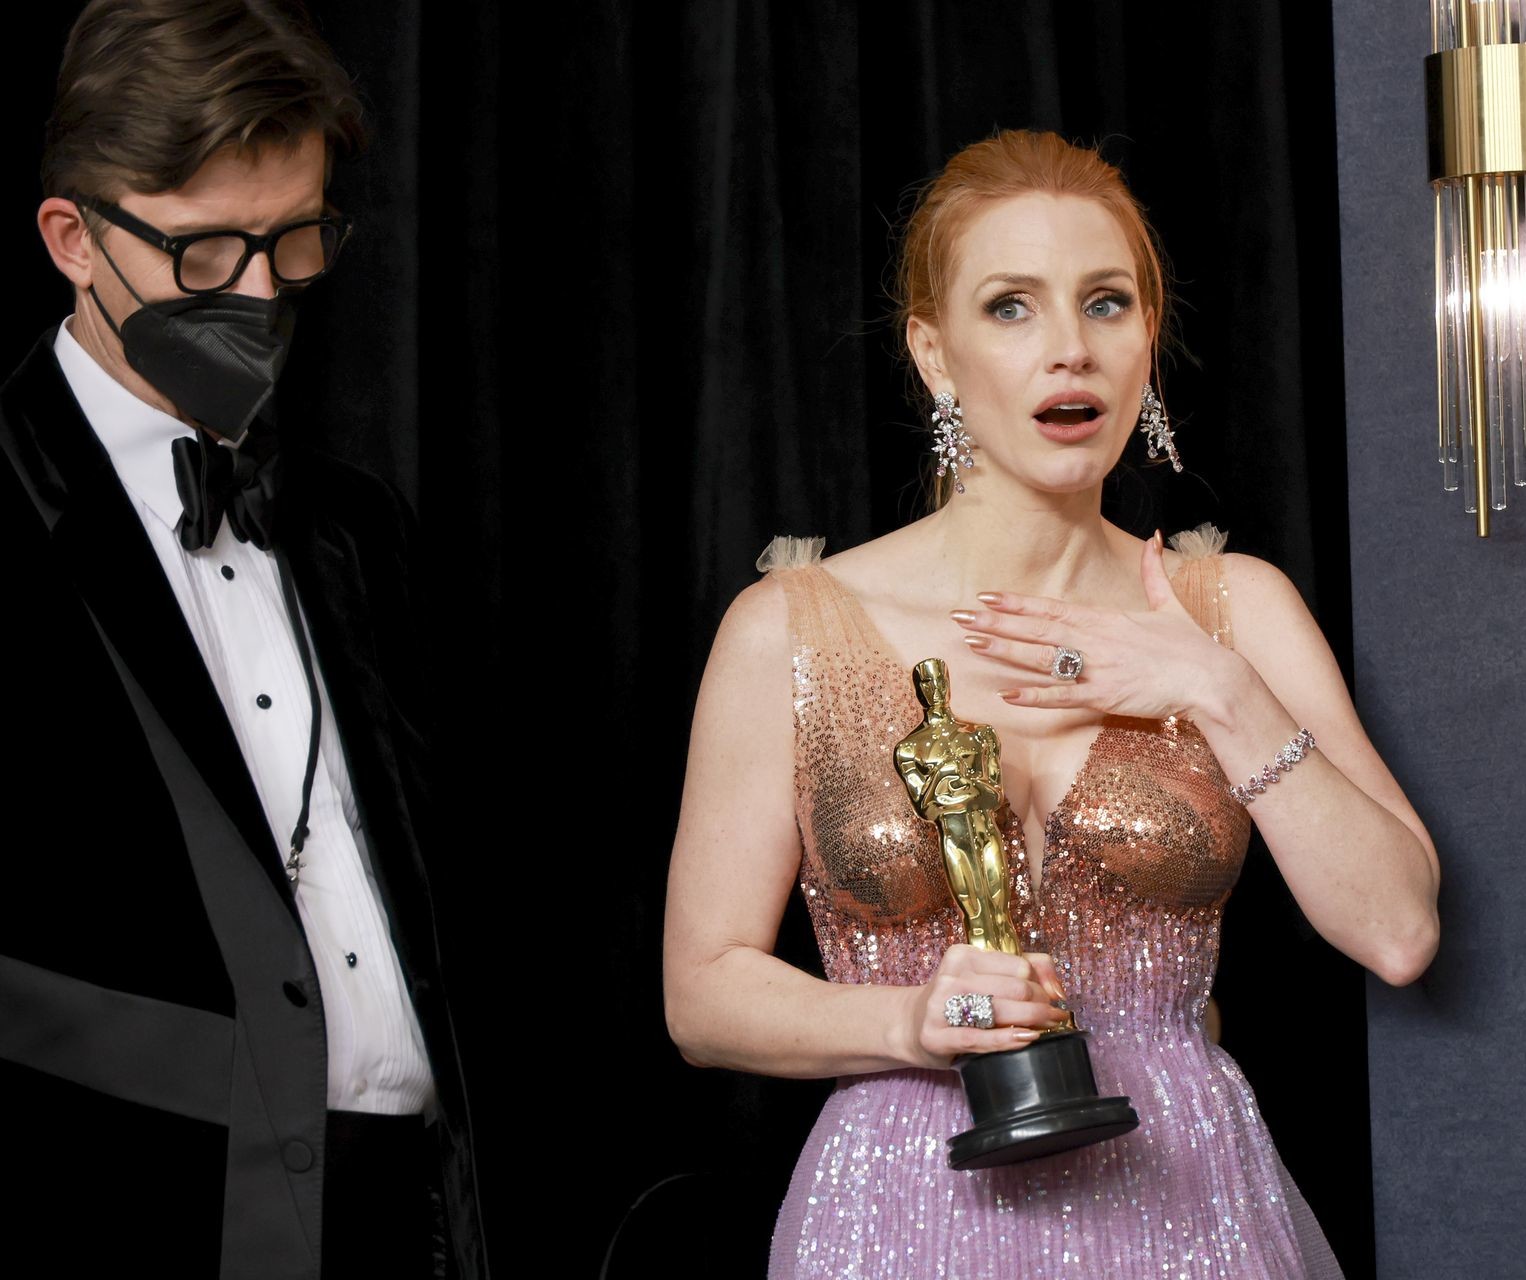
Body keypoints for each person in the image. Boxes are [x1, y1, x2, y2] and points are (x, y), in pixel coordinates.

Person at [663, 128, 1441, 1277]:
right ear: (935, 350)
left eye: (1106, 302)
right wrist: (907, 1021)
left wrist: (1214, 686)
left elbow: (1399, 930)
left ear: (1147, 337)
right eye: (1012, 307)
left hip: (1191, 1215)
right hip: (898, 1216)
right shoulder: (788, 628)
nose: (1070, 347)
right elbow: (701, 994)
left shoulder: (1235, 609)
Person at [0, 2, 487, 1276]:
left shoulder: (360, 528)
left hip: (408, 1225)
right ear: (74, 239)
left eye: (296, 240)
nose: (264, 294)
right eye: (209, 251)